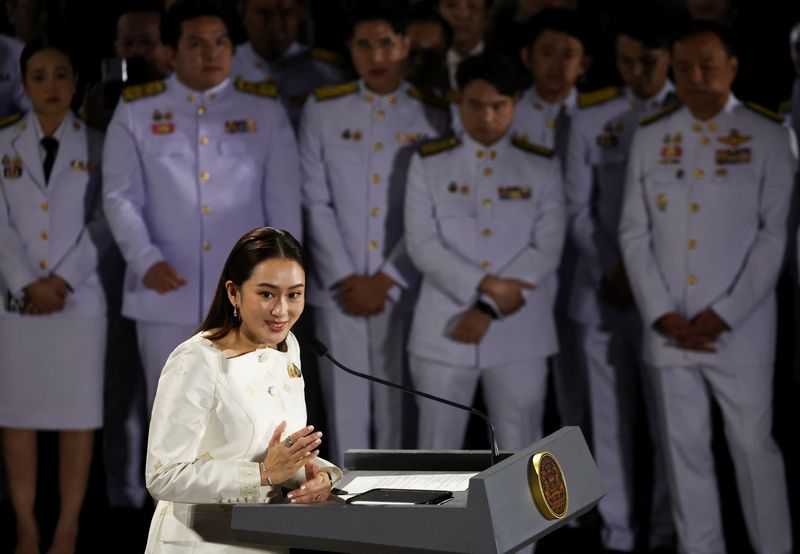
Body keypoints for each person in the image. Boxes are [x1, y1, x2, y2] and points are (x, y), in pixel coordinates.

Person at [103, 0, 301, 506]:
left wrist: (278, 284)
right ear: (170, 51)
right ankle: (164, 519)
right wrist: (146, 259)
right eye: (196, 42)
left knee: (254, 412)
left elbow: (282, 205)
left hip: (250, 300)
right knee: (166, 415)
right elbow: (119, 196)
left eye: (220, 42)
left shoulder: (263, 109)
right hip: (168, 287)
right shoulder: (137, 108)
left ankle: (259, 510)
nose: (211, 53)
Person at [619, 20, 795, 554]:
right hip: (669, 327)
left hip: (738, 330)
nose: (695, 77)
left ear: (732, 67)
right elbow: (633, 230)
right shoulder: (652, 135)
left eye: (707, 65)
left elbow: (774, 235)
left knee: (751, 447)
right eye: (684, 67)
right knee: (683, 451)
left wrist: (725, 313)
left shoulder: (767, 135)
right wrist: (659, 312)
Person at [300, 2, 450, 464]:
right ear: (350, 50)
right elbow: (315, 199)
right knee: (342, 400)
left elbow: (436, 207)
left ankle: (394, 505)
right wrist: (346, 275)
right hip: (338, 284)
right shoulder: (323, 109)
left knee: (398, 398)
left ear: (405, 45)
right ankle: (347, 510)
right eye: (364, 44)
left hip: (403, 281)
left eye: (386, 42)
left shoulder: (433, 113)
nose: (376, 54)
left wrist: (387, 278)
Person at [145, 226, 342, 553]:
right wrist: (263, 475)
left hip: (268, 537)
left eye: (294, 294)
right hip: (201, 542)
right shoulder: (196, 360)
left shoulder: (286, 347)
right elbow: (164, 476)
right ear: (233, 292)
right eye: (266, 294)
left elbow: (278, 453)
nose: (281, 311)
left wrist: (318, 477)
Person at [404, 52, 565, 452]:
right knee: (436, 455)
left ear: (515, 104)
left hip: (518, 332)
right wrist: (486, 285)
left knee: (522, 451)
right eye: (476, 104)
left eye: (499, 105)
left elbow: (546, 249)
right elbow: (422, 244)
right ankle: (438, 519)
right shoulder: (429, 163)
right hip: (445, 326)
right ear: (459, 102)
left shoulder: (540, 166)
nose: (487, 116)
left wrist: (486, 307)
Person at [564, 10, 677, 553]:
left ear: (670, 57)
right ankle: (618, 533)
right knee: (607, 426)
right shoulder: (594, 118)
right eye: (627, 61)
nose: (636, 72)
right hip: (603, 290)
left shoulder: (689, 113)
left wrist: (647, 277)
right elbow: (577, 208)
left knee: (669, 425)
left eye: (648, 61)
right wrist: (613, 268)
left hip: (673, 296)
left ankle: (663, 529)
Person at [0, 35, 109, 554]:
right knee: (17, 414)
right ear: (23, 85)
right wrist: (27, 281)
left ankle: (67, 526)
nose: (50, 86)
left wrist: (62, 280)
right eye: (39, 76)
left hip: (79, 300)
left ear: (76, 82)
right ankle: (26, 524)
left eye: (61, 75)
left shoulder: (99, 142)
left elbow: (105, 219)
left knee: (77, 415)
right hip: (16, 301)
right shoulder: (1, 141)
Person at [513, 6, 590, 436]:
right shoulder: (508, 112)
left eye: (568, 53)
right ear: (528, 56)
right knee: (525, 395)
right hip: (523, 274)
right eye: (547, 52)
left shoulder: (601, 118)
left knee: (582, 392)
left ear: (584, 63)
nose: (557, 64)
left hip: (584, 273)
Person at [231, 0, 349, 129]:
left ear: (301, 12)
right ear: (242, 12)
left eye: (286, 13)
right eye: (264, 14)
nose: (275, 26)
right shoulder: (221, 72)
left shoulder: (330, 74)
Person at [437, 0, 490, 89]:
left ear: (487, 16)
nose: (462, 15)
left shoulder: (508, 63)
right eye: (451, 6)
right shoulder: (423, 61)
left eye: (472, 7)